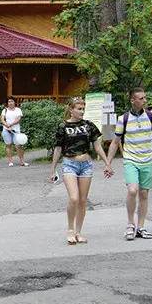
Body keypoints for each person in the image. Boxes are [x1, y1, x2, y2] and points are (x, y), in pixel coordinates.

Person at [49, 98, 111, 245]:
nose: (82, 111)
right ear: (71, 110)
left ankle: (79, 232)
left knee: (83, 200)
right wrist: (53, 170)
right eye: (79, 109)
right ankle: (70, 230)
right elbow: (58, 149)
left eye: (83, 109)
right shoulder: (63, 126)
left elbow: (97, 145)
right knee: (74, 198)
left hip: (86, 165)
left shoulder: (88, 125)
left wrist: (107, 163)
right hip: (70, 163)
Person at [104, 87, 152, 241]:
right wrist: (108, 163)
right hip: (131, 159)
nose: (145, 100)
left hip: (148, 159)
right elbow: (115, 142)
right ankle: (130, 224)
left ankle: (141, 227)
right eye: (141, 98)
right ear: (132, 101)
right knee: (133, 190)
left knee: (143, 193)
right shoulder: (124, 119)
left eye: (145, 98)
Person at [1, 96, 29, 167]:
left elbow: (19, 119)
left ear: (14, 102)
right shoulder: (5, 110)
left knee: (18, 145)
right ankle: (10, 161)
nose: (10, 103)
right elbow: (2, 120)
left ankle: (22, 161)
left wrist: (11, 124)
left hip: (16, 130)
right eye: (9, 102)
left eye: (12, 101)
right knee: (8, 145)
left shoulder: (18, 110)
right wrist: (7, 125)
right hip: (6, 130)